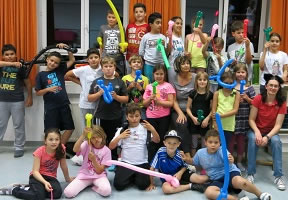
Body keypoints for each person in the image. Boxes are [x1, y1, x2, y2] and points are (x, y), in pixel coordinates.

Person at [182, 129, 272, 200]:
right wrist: (186, 159)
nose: (213, 145)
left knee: (241, 182)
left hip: (230, 174)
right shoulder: (200, 153)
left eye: (216, 142)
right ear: (205, 142)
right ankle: (234, 199)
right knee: (209, 193)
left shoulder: (222, 150)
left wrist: (230, 159)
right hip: (217, 179)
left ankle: (260, 194)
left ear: (220, 143)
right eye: (210, 142)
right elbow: (194, 161)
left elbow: (228, 157)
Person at [0, 128, 73, 199]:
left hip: (51, 177)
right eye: (51, 139)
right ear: (45, 141)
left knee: (57, 194)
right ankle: (14, 190)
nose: (54, 142)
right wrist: (44, 183)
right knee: (39, 196)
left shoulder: (62, 149)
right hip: (37, 177)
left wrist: (68, 179)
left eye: (57, 139)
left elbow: (63, 165)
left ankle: (32, 188)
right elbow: (35, 171)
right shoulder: (39, 152)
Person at [247, 74, 286, 191]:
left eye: (276, 86)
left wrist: (267, 137)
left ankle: (278, 176)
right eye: (271, 85)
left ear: (279, 88)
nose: (273, 88)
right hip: (256, 129)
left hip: (271, 132)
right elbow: (251, 119)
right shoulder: (258, 98)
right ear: (266, 86)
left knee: (277, 142)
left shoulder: (281, 102)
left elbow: (278, 125)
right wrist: (258, 132)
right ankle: (250, 173)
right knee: (253, 140)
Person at [109, 103, 160, 191]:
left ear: (140, 116)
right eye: (131, 116)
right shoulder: (122, 129)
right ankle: (128, 175)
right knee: (118, 185)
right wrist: (120, 137)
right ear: (127, 117)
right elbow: (110, 147)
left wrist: (153, 129)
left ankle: (133, 177)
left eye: (136, 116)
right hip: (126, 163)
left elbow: (157, 140)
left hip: (142, 163)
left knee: (143, 185)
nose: (134, 119)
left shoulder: (145, 129)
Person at [88, 56, 128, 159]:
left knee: (113, 138)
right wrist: (99, 93)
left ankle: (113, 159)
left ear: (114, 67)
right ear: (102, 68)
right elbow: (89, 98)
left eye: (111, 66)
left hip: (116, 116)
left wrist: (116, 97)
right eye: (106, 66)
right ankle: (99, 158)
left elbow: (126, 99)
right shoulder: (97, 82)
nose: (108, 68)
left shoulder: (120, 82)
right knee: (99, 138)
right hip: (100, 116)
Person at [35, 43, 75, 144]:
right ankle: (50, 151)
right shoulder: (40, 75)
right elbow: (38, 93)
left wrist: (67, 48)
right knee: (51, 132)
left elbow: (72, 60)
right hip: (51, 107)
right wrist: (48, 89)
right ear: (47, 59)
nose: (53, 64)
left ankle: (60, 149)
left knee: (70, 128)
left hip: (64, 105)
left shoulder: (60, 71)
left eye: (56, 63)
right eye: (52, 60)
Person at [147, 130, 208, 194]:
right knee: (166, 189)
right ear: (165, 143)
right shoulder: (160, 152)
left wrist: (180, 173)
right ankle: (191, 186)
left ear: (178, 144)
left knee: (201, 179)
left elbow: (185, 166)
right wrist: (151, 183)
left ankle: (216, 179)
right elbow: (152, 168)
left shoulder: (180, 154)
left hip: (181, 174)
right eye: (169, 143)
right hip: (168, 178)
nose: (171, 145)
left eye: (174, 143)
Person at [0, 44, 33, 157]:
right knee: (1, 125)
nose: (9, 56)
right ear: (3, 56)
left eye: (12, 54)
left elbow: (28, 82)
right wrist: (12, 63)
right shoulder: (2, 65)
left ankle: (19, 147)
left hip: (17, 101)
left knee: (18, 125)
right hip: (2, 101)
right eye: (7, 55)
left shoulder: (21, 67)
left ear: (16, 55)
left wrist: (30, 96)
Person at [64, 125, 111, 198]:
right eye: (93, 138)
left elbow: (99, 171)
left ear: (103, 136)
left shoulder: (107, 151)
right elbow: (75, 150)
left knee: (107, 191)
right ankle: (88, 184)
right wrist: (83, 135)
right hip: (85, 175)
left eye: (98, 136)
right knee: (68, 193)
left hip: (99, 176)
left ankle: (93, 187)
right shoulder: (87, 144)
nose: (96, 140)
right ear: (90, 139)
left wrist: (94, 160)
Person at [65, 48, 102, 131]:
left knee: (98, 129)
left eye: (96, 57)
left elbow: (115, 74)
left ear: (100, 59)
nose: (93, 60)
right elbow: (67, 75)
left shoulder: (103, 69)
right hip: (86, 104)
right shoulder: (83, 69)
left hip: (100, 104)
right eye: (91, 58)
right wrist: (80, 83)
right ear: (87, 60)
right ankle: (86, 144)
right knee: (87, 128)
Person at [143, 64, 175, 161]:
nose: (159, 76)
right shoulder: (149, 87)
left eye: (161, 74)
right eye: (157, 74)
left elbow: (171, 103)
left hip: (164, 117)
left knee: (161, 139)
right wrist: (150, 99)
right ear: (153, 75)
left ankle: (161, 160)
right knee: (153, 139)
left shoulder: (168, 86)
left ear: (165, 74)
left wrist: (159, 102)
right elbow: (144, 104)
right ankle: (151, 161)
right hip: (151, 117)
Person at [230, 63, 255, 171]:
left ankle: (239, 162)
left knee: (241, 142)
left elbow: (255, 104)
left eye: (243, 72)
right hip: (232, 119)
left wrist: (247, 98)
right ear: (235, 74)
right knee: (231, 142)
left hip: (244, 119)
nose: (240, 74)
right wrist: (235, 101)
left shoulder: (250, 88)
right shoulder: (231, 86)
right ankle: (230, 162)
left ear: (246, 73)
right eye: (238, 72)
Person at [170, 55, 195, 153]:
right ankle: (186, 153)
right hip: (177, 108)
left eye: (188, 63)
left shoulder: (195, 77)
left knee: (190, 124)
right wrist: (180, 113)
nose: (186, 65)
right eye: (183, 63)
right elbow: (174, 100)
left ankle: (186, 152)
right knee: (182, 124)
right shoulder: (173, 78)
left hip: (191, 108)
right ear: (178, 66)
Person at [186, 71, 213, 157]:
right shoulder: (192, 93)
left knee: (204, 144)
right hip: (194, 121)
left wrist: (207, 119)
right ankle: (194, 162)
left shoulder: (210, 95)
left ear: (207, 81)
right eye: (200, 79)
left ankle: (203, 162)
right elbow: (187, 108)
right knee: (194, 143)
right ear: (196, 81)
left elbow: (213, 109)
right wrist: (193, 118)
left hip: (205, 122)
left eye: (204, 80)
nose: (202, 81)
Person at [212, 71, 240, 148]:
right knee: (215, 146)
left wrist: (221, 116)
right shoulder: (217, 93)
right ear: (221, 82)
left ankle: (224, 160)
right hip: (218, 124)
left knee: (225, 146)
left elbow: (235, 110)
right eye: (226, 82)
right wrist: (215, 123)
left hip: (229, 125)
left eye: (230, 83)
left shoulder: (236, 93)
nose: (228, 85)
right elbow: (214, 110)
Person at [139, 12, 166, 82]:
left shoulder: (163, 37)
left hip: (161, 66)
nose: (160, 25)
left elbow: (166, 53)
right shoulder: (145, 37)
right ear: (151, 24)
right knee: (149, 84)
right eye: (157, 23)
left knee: (160, 85)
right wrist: (148, 59)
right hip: (149, 65)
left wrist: (165, 46)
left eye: (160, 23)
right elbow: (141, 52)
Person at [99, 9, 125, 77]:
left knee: (119, 76)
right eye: (109, 17)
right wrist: (101, 56)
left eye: (113, 17)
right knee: (106, 76)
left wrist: (123, 49)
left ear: (117, 19)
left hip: (118, 57)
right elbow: (101, 44)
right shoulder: (102, 28)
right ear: (107, 17)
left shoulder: (121, 28)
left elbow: (123, 43)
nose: (111, 19)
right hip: (106, 57)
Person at [125, 3, 149, 74]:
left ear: (145, 14)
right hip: (129, 58)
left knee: (140, 79)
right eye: (136, 12)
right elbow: (126, 40)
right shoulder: (129, 26)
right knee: (129, 78)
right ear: (134, 14)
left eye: (141, 12)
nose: (138, 14)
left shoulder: (148, 26)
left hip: (141, 59)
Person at [166, 16, 185, 83]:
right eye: (177, 23)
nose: (180, 25)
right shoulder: (168, 37)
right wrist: (170, 37)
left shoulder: (180, 38)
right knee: (173, 86)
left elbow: (182, 52)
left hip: (181, 66)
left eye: (181, 24)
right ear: (172, 25)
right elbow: (168, 51)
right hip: (172, 66)